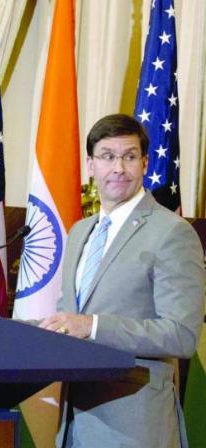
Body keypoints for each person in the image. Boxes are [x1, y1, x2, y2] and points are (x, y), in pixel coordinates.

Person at [39, 114, 205, 447]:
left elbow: (182, 335)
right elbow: (67, 320)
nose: (118, 168)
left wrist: (94, 326)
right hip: (73, 419)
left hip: (133, 424)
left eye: (129, 157)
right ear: (91, 165)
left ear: (144, 164)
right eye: (108, 156)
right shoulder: (79, 233)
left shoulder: (172, 232)